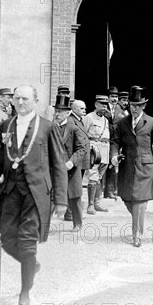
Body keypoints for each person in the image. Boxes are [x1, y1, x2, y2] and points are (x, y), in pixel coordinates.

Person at [0, 84, 68, 305]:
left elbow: (59, 164)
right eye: (17, 99)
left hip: (36, 194)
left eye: (25, 99)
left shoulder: (47, 127)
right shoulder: (6, 125)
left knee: (26, 242)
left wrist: (61, 200)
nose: (20, 103)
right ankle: (31, 264)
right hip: (10, 192)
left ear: (35, 100)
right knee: (6, 240)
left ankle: (24, 294)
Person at [111, 86, 153, 248]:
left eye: (137, 105)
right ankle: (138, 218)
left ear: (144, 106)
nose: (134, 108)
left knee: (140, 201)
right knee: (127, 198)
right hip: (127, 167)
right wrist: (114, 155)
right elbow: (115, 141)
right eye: (131, 105)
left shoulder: (152, 122)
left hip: (146, 168)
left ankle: (137, 235)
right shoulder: (122, 123)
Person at [53, 94, 88, 232]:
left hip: (71, 168)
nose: (57, 114)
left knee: (74, 196)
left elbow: (82, 148)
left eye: (60, 112)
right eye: (56, 111)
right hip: (55, 167)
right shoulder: (51, 128)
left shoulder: (73, 128)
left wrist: (72, 162)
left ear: (67, 113)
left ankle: (77, 223)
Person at [84, 95, 111, 214]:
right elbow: (82, 133)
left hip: (105, 148)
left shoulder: (106, 119)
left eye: (106, 104)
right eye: (101, 104)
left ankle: (97, 203)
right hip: (94, 149)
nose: (104, 107)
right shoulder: (89, 117)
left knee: (100, 177)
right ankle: (90, 205)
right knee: (93, 176)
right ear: (96, 104)